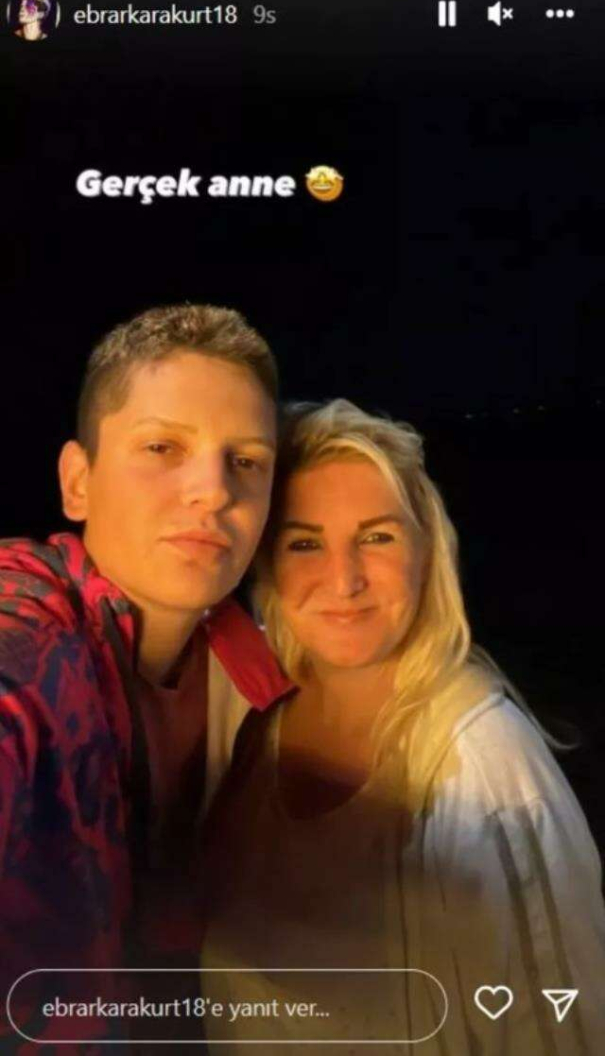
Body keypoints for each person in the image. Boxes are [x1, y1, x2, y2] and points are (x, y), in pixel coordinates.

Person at [200, 398, 605, 1055]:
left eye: (376, 537)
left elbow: (564, 1032)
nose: (344, 580)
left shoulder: (483, 764)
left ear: (427, 552)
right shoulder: (250, 728)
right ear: (267, 564)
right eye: (305, 543)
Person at [0, 304, 291, 1048]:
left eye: (246, 461)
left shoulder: (255, 676)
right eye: (163, 446)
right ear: (78, 481)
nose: (213, 490)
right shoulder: (28, 627)